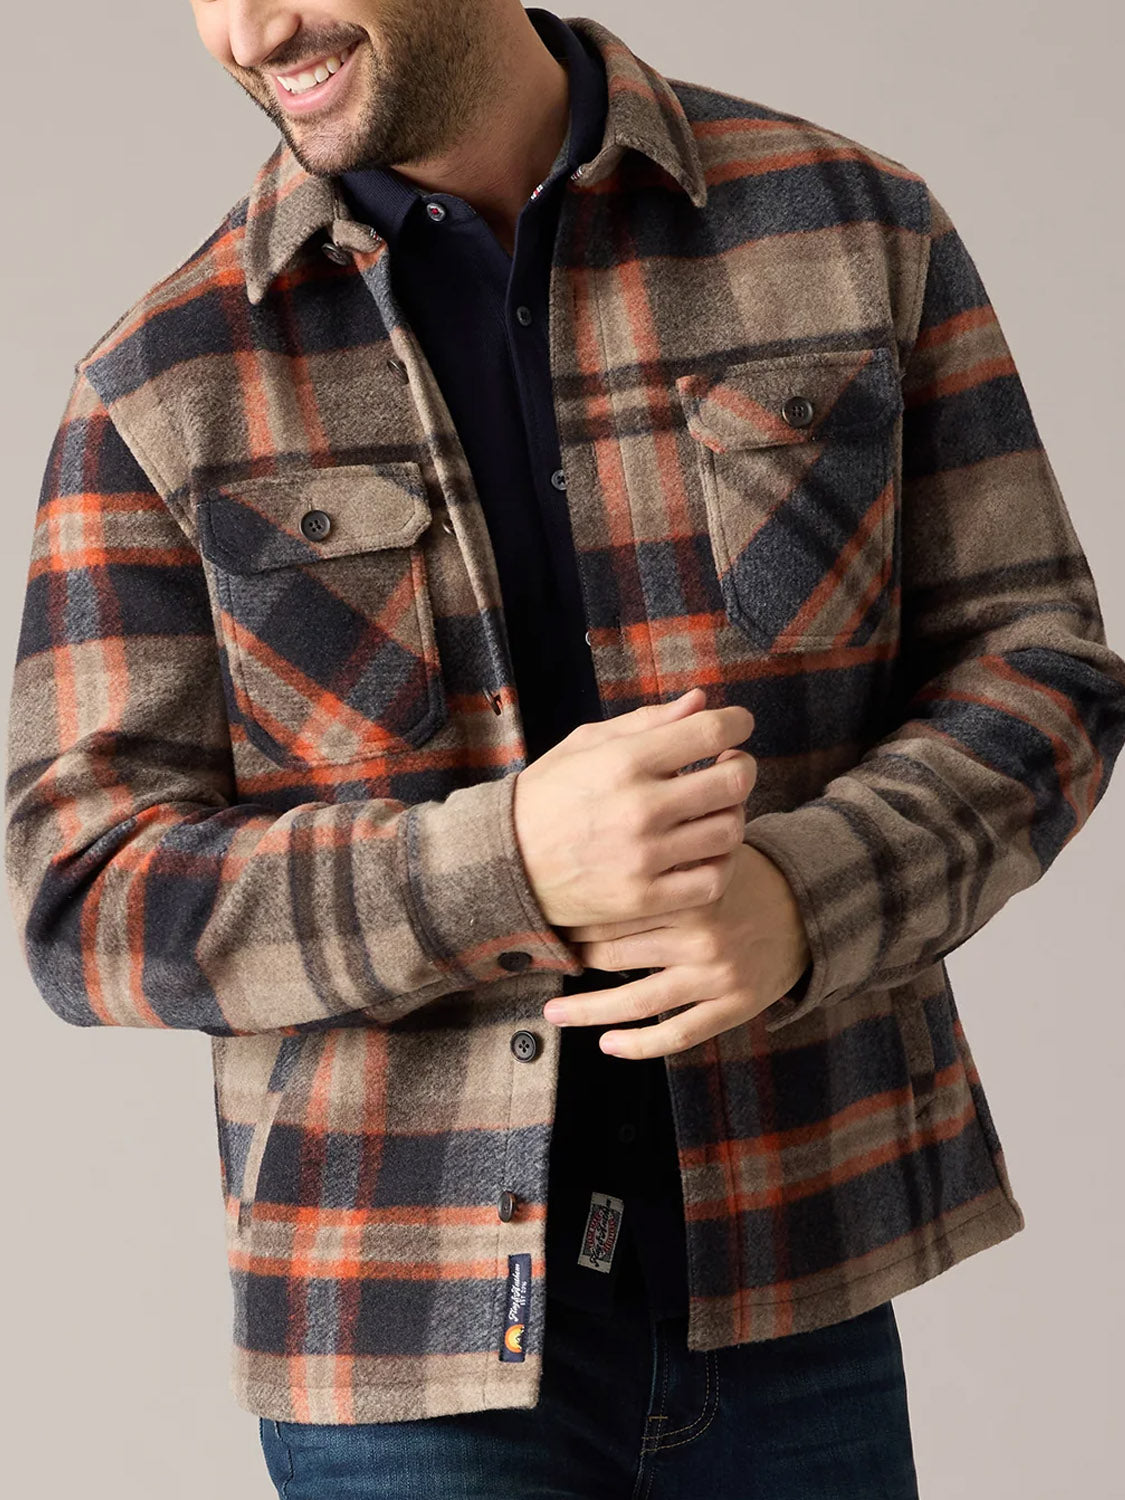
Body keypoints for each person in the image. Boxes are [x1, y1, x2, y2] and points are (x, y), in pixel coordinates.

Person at [6, 2, 1124, 1495]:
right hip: (401, 1351)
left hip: (799, 1279)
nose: (251, 28)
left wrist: (803, 896)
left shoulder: (850, 228)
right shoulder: (164, 377)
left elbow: (1039, 669)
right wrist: (505, 863)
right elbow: (83, 892)